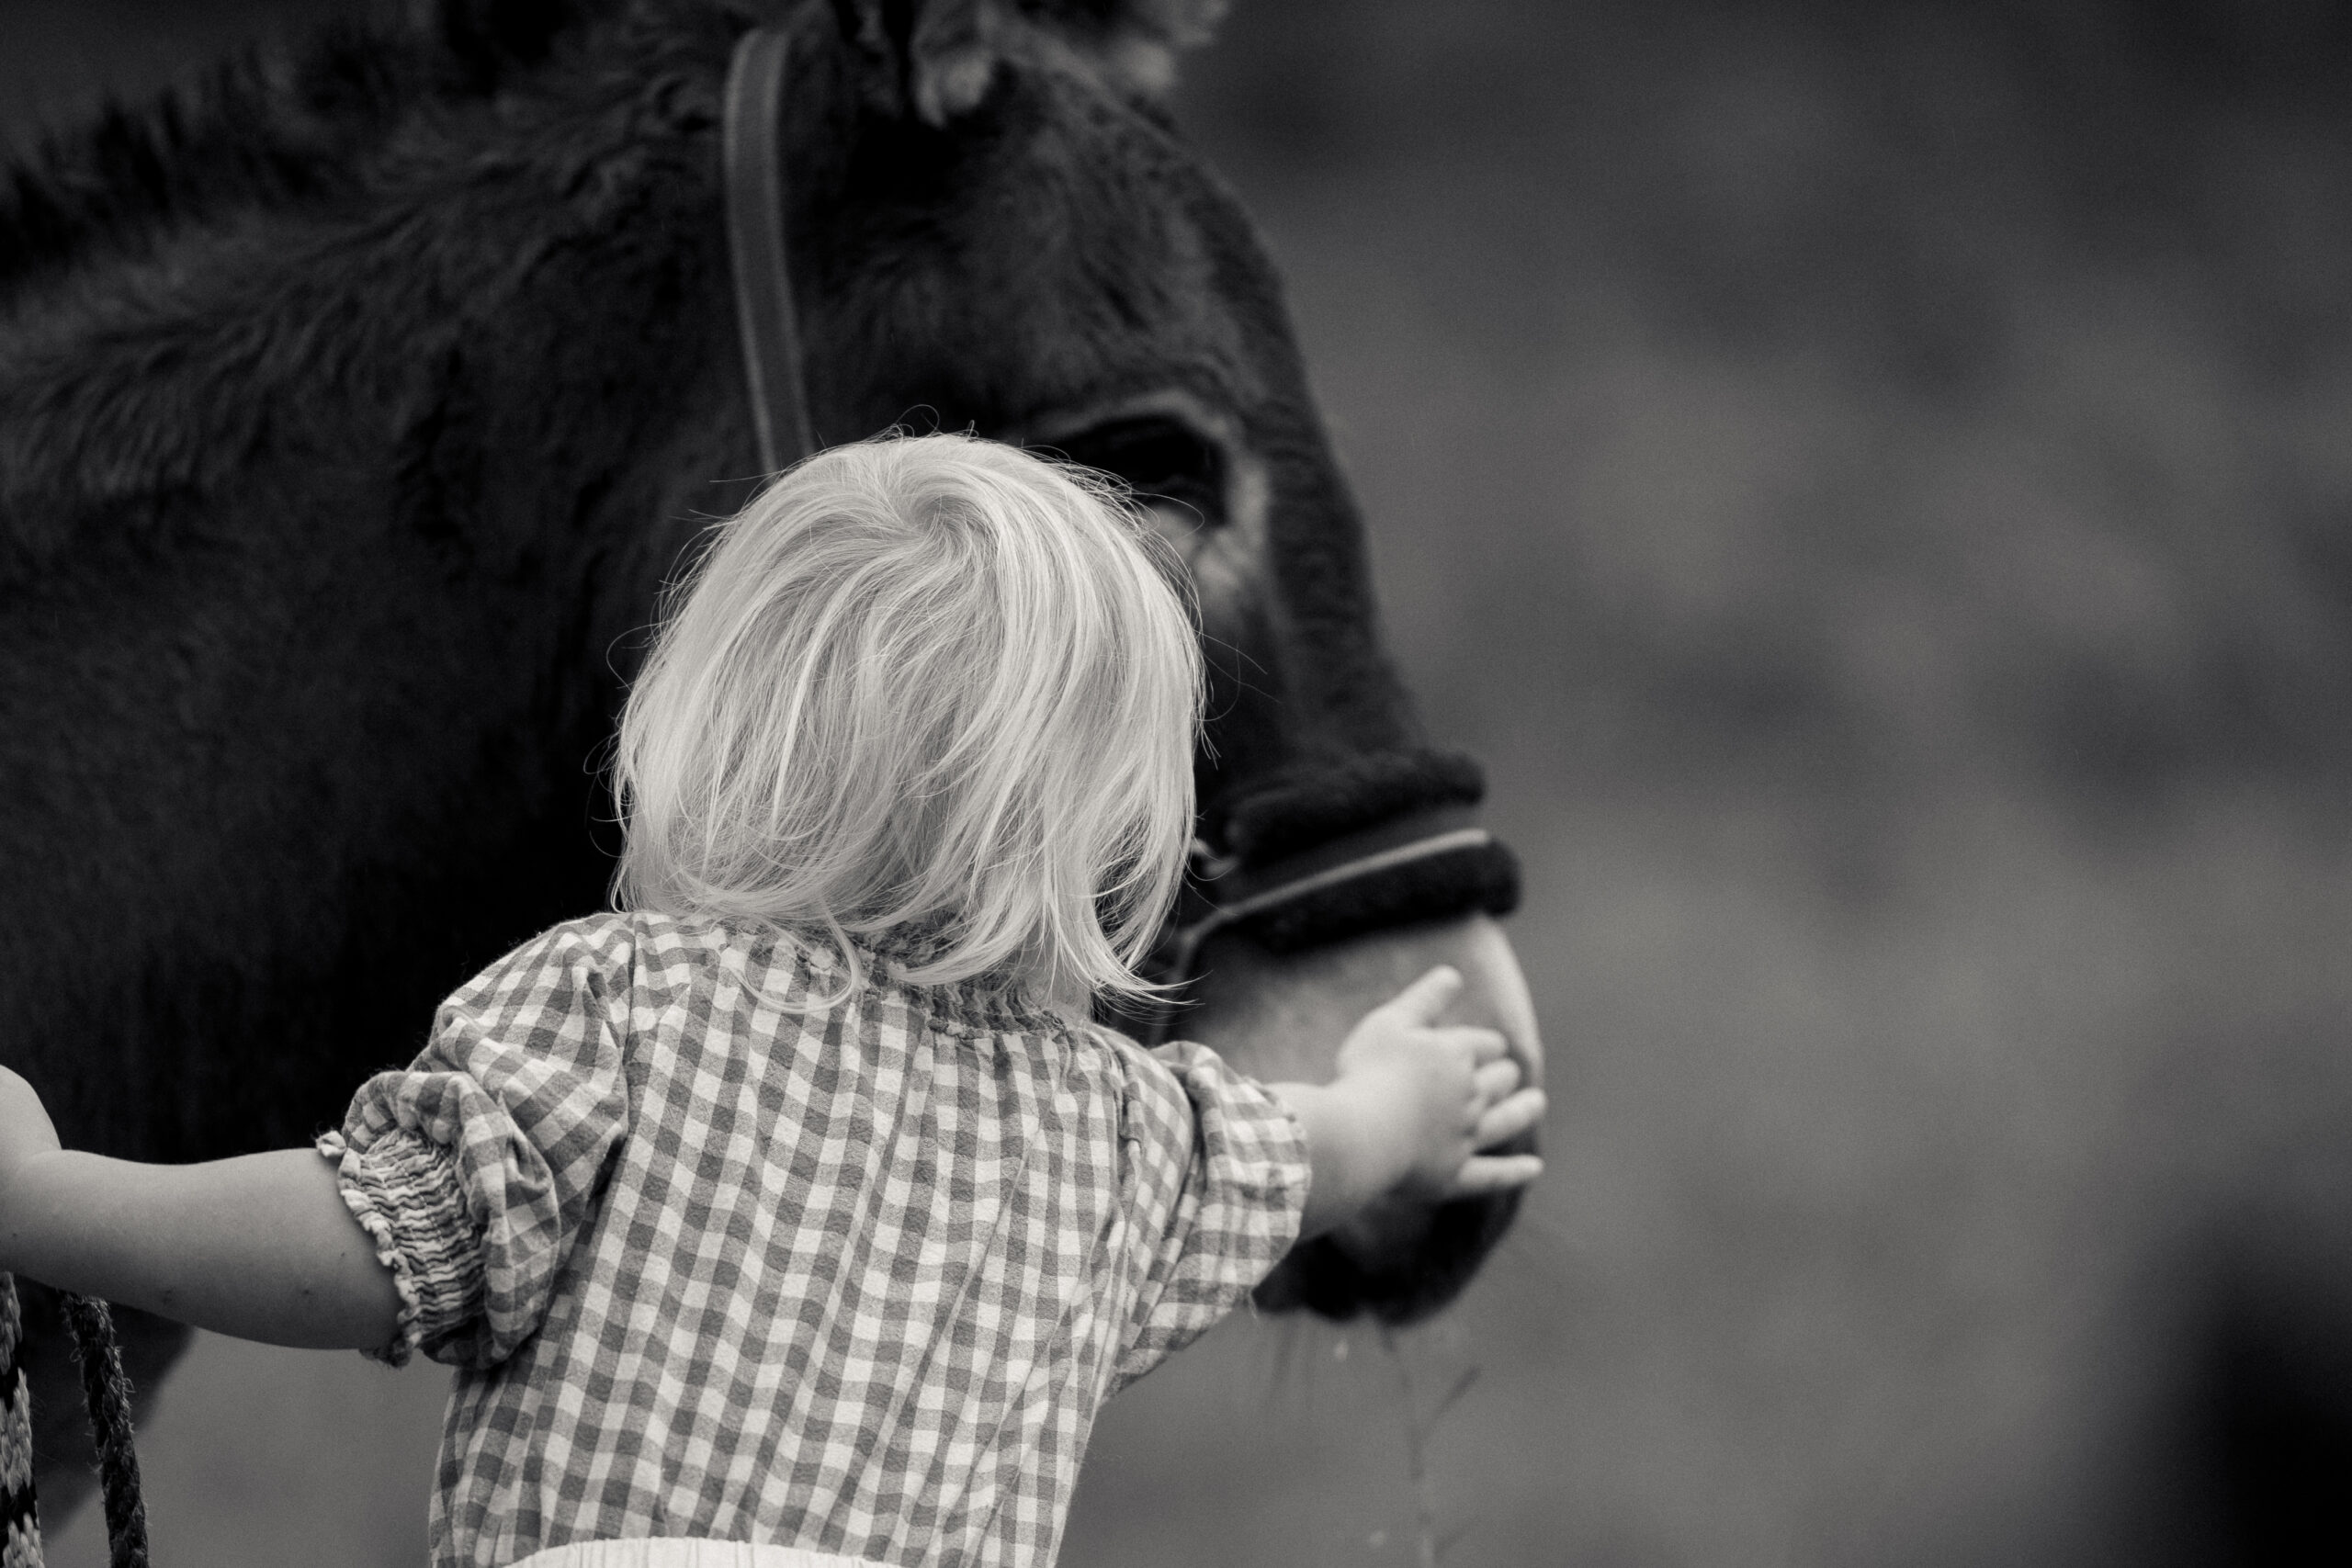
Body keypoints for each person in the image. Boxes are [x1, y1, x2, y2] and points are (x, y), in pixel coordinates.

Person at [0, 434, 1543, 1568]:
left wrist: (59, 1203)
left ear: (709, 742)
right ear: (1111, 837)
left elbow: (367, 1250)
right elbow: (1296, 1152)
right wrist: (1403, 1116)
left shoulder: (620, 1013)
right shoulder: (1122, 1137)